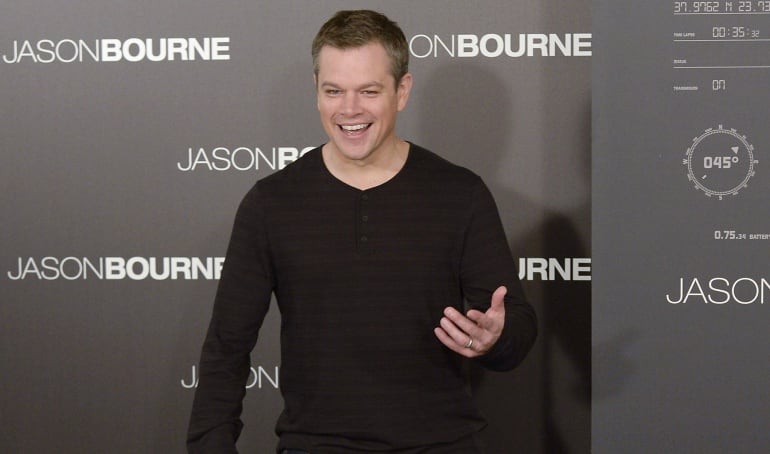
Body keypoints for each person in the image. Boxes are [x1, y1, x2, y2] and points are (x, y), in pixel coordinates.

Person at [187, 9, 537, 454]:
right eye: (334, 91)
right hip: (314, 446)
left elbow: (517, 330)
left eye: (368, 91)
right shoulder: (271, 203)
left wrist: (495, 339)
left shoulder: (459, 193)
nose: (349, 110)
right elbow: (226, 348)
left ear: (402, 90)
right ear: (316, 91)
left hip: (441, 444)